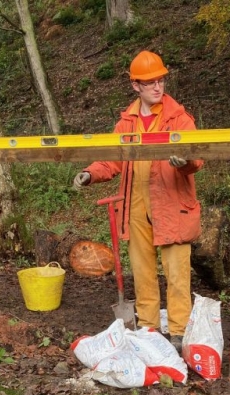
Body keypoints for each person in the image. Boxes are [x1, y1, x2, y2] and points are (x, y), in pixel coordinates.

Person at [73, 50, 203, 352]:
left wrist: (184, 161)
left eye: (160, 80)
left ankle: (180, 332)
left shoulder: (179, 118)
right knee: (143, 271)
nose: (158, 87)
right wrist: (90, 174)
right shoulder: (126, 122)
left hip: (172, 205)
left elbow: (197, 158)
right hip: (135, 207)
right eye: (150, 82)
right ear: (136, 86)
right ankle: (148, 327)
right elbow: (112, 160)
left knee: (177, 273)